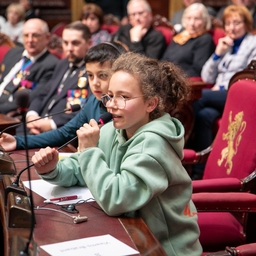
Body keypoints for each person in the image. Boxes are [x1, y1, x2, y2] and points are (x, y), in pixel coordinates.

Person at [31, 52, 202, 256]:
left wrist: (89, 150)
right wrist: (53, 169)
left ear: (151, 104)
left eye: (124, 97)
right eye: (110, 95)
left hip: (164, 247)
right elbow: (80, 167)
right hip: (130, 233)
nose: (111, 104)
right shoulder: (114, 129)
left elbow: (117, 200)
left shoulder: (154, 143)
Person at [0, 41, 127, 150]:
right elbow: (64, 133)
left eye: (102, 75)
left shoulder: (126, 109)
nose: (95, 83)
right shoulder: (93, 101)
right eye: (90, 75)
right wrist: (17, 142)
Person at [191, 5, 256, 180]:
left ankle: (177, 144)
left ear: (246, 24)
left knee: (197, 99)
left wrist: (220, 87)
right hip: (219, 96)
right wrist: (217, 54)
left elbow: (249, 77)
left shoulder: (253, 44)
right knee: (205, 115)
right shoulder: (226, 43)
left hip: (237, 95)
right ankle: (200, 173)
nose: (232, 28)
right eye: (228, 23)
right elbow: (206, 75)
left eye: (237, 23)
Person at [24, 21, 92, 135]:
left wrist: (51, 124)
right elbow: (43, 94)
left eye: (75, 43)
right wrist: (32, 115)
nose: (69, 48)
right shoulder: (62, 64)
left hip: (61, 132)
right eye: (65, 43)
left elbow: (86, 110)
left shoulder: (92, 72)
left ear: (89, 43)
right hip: (36, 127)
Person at [0, 18, 59, 116]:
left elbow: (32, 99)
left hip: (9, 113)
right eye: (26, 35)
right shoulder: (13, 53)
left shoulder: (51, 64)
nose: (30, 40)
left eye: (35, 35)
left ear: (47, 38)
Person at [162, 3, 215, 77]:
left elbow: (197, 70)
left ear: (205, 21)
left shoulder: (205, 39)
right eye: (188, 18)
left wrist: (172, 77)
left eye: (197, 19)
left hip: (185, 81)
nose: (192, 23)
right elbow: (164, 60)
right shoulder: (180, 36)